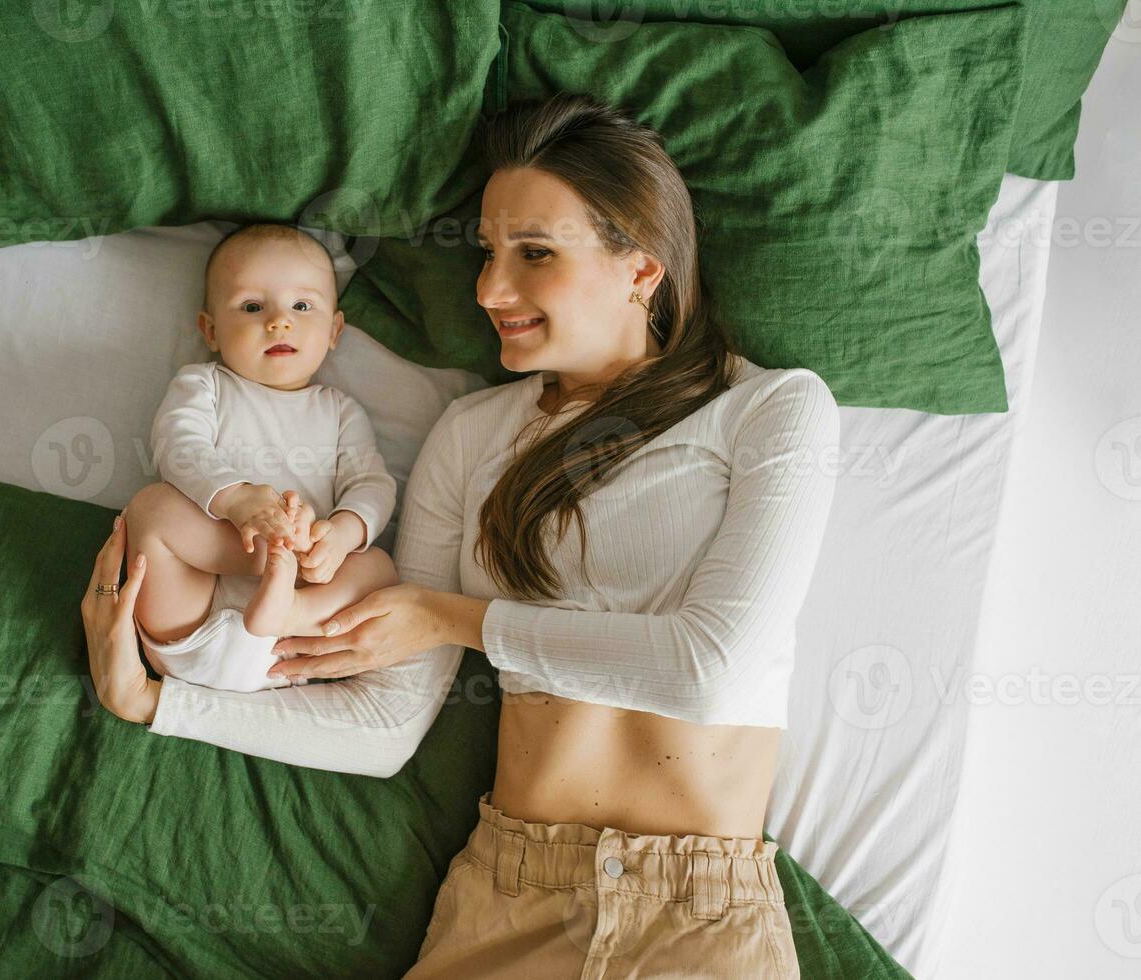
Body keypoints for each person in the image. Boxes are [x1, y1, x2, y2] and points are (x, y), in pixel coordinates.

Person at [81, 92, 839, 976]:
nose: (488, 289)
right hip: (504, 902)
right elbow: (383, 723)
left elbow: (710, 671)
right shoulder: (472, 434)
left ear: (642, 267)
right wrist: (155, 704)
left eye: (534, 254)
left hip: (696, 920)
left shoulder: (773, 410)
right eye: (485, 253)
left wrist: (454, 619)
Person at [118, 223, 398, 693]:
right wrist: (236, 501)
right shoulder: (204, 385)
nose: (278, 321)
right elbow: (178, 446)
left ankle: (288, 604)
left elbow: (372, 483)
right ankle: (274, 563)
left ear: (333, 331)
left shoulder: (340, 411)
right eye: (252, 307)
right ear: (210, 329)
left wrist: (342, 535)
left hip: (296, 639)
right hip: (192, 623)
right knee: (151, 508)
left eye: (302, 306)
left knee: (380, 568)